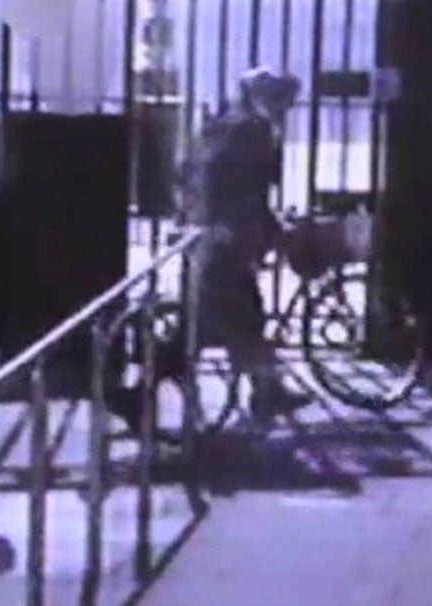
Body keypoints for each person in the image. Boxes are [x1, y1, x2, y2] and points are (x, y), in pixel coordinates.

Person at [108, 66, 310, 427]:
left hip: (203, 236)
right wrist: (265, 228)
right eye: (281, 99)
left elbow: (187, 174)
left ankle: (267, 389)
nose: (285, 108)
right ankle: (139, 395)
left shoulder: (219, 125)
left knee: (233, 319)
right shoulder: (254, 130)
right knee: (208, 326)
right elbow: (250, 191)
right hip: (227, 241)